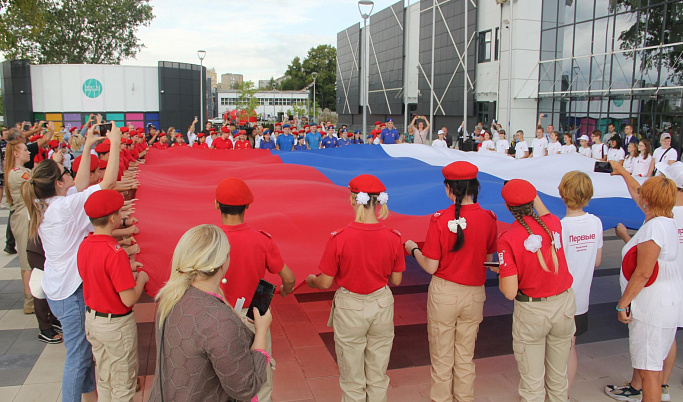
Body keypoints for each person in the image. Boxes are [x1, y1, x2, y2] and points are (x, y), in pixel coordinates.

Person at [21, 123, 121, 402]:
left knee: (82, 353)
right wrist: (115, 143)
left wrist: (88, 146)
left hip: (59, 289)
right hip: (70, 292)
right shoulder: (63, 208)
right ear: (57, 183)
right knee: (77, 357)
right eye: (66, 172)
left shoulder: (45, 205)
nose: (72, 176)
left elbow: (79, 186)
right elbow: (108, 184)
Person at [404, 162, 497, 402]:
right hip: (475, 294)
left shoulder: (439, 219)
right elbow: (488, 261)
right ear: (475, 187)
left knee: (442, 357)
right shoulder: (489, 218)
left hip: (445, 294)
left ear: (449, 189)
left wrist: (414, 250)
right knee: (465, 356)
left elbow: (431, 266)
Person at [306, 174, 404, 402]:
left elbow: (325, 282)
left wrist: (312, 280)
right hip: (381, 304)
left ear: (353, 200)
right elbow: (397, 280)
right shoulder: (393, 237)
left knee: (352, 379)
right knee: (378, 375)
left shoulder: (340, 238)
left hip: (350, 307)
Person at [149, 225, 271, 402]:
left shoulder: (171, 297)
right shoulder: (219, 321)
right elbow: (246, 388)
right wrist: (261, 331)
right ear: (223, 263)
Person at [603, 161, 683, 402]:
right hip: (667, 303)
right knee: (653, 369)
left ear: (648, 200)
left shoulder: (656, 227)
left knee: (649, 374)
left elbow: (643, 273)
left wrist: (622, 303)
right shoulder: (667, 221)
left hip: (652, 309)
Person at [214, 177, 295, 401]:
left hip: (217, 316)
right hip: (254, 316)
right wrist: (286, 290)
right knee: (260, 376)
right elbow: (288, 278)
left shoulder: (209, 240)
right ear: (248, 206)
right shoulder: (262, 240)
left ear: (216, 205)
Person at [497, 179, 575, 401]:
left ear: (507, 207)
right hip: (563, 305)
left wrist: (503, 273)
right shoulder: (554, 223)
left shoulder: (507, 239)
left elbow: (509, 292)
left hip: (533, 312)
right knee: (559, 379)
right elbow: (542, 211)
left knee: (532, 385)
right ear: (533, 200)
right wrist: (526, 189)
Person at [79, 189, 148, 401]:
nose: (121, 216)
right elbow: (128, 298)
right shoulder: (114, 251)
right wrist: (141, 279)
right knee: (123, 386)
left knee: (105, 377)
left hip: (93, 320)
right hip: (116, 325)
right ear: (112, 218)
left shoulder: (85, 244)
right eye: (119, 213)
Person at [558, 172, 603, 391]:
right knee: (571, 347)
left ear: (562, 193)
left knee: (554, 349)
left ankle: (552, 393)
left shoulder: (561, 227)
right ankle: (564, 394)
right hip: (581, 300)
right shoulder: (596, 222)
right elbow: (597, 261)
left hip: (560, 300)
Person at [4, 140, 36, 314]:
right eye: (25, 150)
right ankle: (29, 300)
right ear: (16, 154)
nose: (28, 152)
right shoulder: (17, 173)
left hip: (28, 216)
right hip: (23, 218)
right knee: (26, 259)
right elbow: (36, 182)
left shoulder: (21, 171)